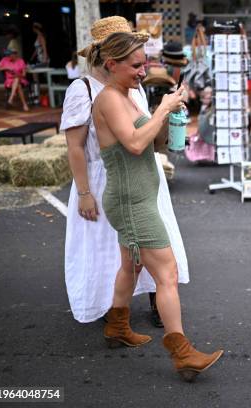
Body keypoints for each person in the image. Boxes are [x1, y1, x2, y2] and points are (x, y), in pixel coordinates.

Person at [90, 31, 222, 381]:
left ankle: (117, 327)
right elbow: (134, 144)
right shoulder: (108, 100)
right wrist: (161, 108)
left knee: (130, 268)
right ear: (111, 64)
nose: (142, 71)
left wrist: (170, 114)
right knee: (168, 274)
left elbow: (154, 142)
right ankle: (182, 353)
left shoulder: (127, 94)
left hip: (135, 198)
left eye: (144, 62)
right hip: (132, 202)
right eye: (136, 65)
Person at [61, 16, 188, 330]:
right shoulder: (84, 89)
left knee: (147, 245)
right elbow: (76, 147)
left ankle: (151, 302)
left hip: (142, 178)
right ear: (110, 57)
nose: (140, 66)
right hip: (105, 177)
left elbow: (146, 134)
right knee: (110, 248)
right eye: (133, 58)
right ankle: (112, 308)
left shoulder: (134, 84)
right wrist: (84, 192)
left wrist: (171, 118)